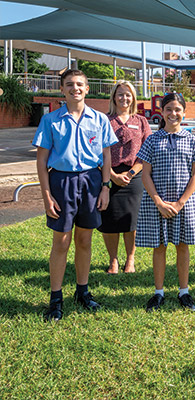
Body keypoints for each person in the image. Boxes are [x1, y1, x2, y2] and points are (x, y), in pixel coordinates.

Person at [33, 69, 118, 322]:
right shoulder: (51, 121)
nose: (75, 88)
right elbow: (41, 161)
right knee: (61, 242)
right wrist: (47, 195)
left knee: (84, 240)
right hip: (62, 181)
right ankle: (55, 298)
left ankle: (83, 291)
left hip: (91, 182)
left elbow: (106, 156)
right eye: (69, 84)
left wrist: (105, 186)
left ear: (87, 88)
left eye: (79, 84)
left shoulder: (100, 119)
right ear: (62, 89)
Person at [135, 93, 195, 312]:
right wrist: (159, 202)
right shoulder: (152, 140)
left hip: (182, 203)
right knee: (160, 246)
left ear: (183, 112)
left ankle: (184, 291)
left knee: (182, 245)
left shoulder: (191, 140)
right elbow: (145, 174)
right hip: (158, 203)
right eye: (168, 109)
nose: (173, 114)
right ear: (161, 112)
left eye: (177, 109)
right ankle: (158, 292)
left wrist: (180, 203)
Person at [99, 80, 152, 274]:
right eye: (120, 94)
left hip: (134, 176)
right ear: (114, 96)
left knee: (132, 220)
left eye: (128, 94)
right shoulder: (104, 120)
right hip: (108, 175)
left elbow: (147, 151)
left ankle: (130, 259)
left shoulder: (141, 121)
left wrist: (129, 174)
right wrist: (112, 176)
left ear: (133, 98)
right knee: (110, 220)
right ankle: (113, 260)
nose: (124, 98)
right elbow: (96, 151)